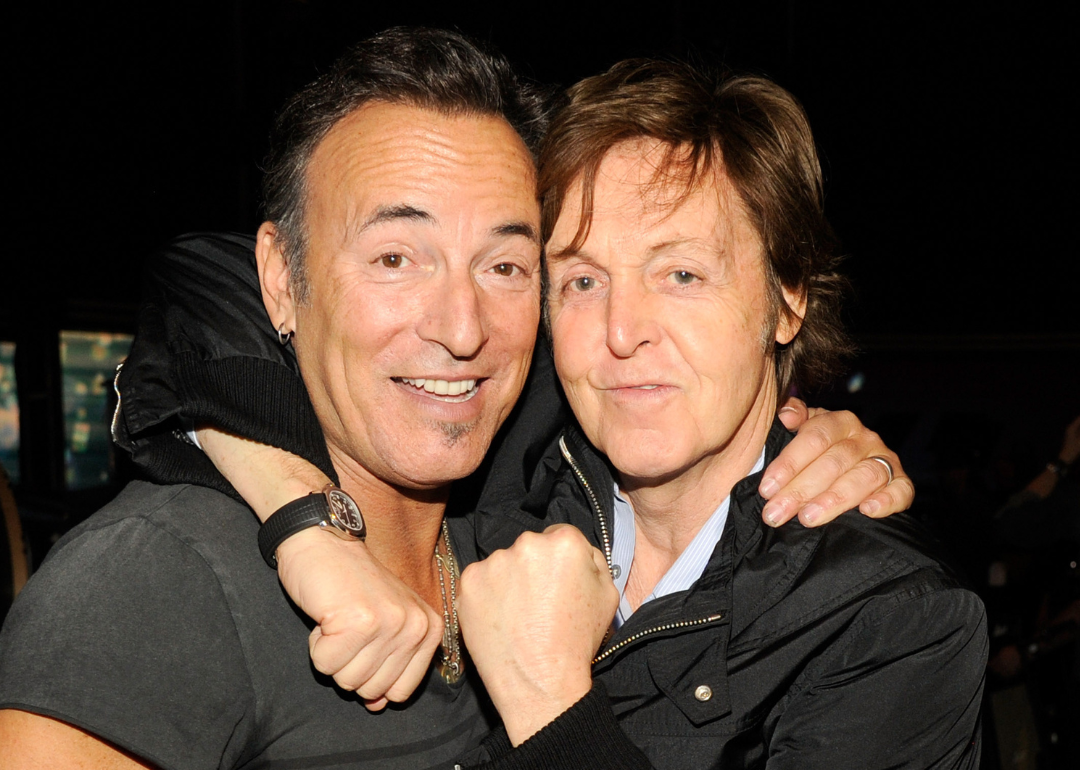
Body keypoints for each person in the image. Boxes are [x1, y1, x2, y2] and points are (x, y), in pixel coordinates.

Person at [0, 29, 912, 770]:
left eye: (507, 266)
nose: (463, 326)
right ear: (280, 280)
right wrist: (302, 522)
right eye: (396, 258)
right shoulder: (158, 582)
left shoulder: (518, 513)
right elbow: (191, 281)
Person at [449, 60, 987, 768]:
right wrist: (305, 529)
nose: (621, 330)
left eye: (682, 274)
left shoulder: (889, 625)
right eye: (583, 280)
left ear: (787, 297)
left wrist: (549, 704)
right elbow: (273, 276)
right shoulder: (480, 474)